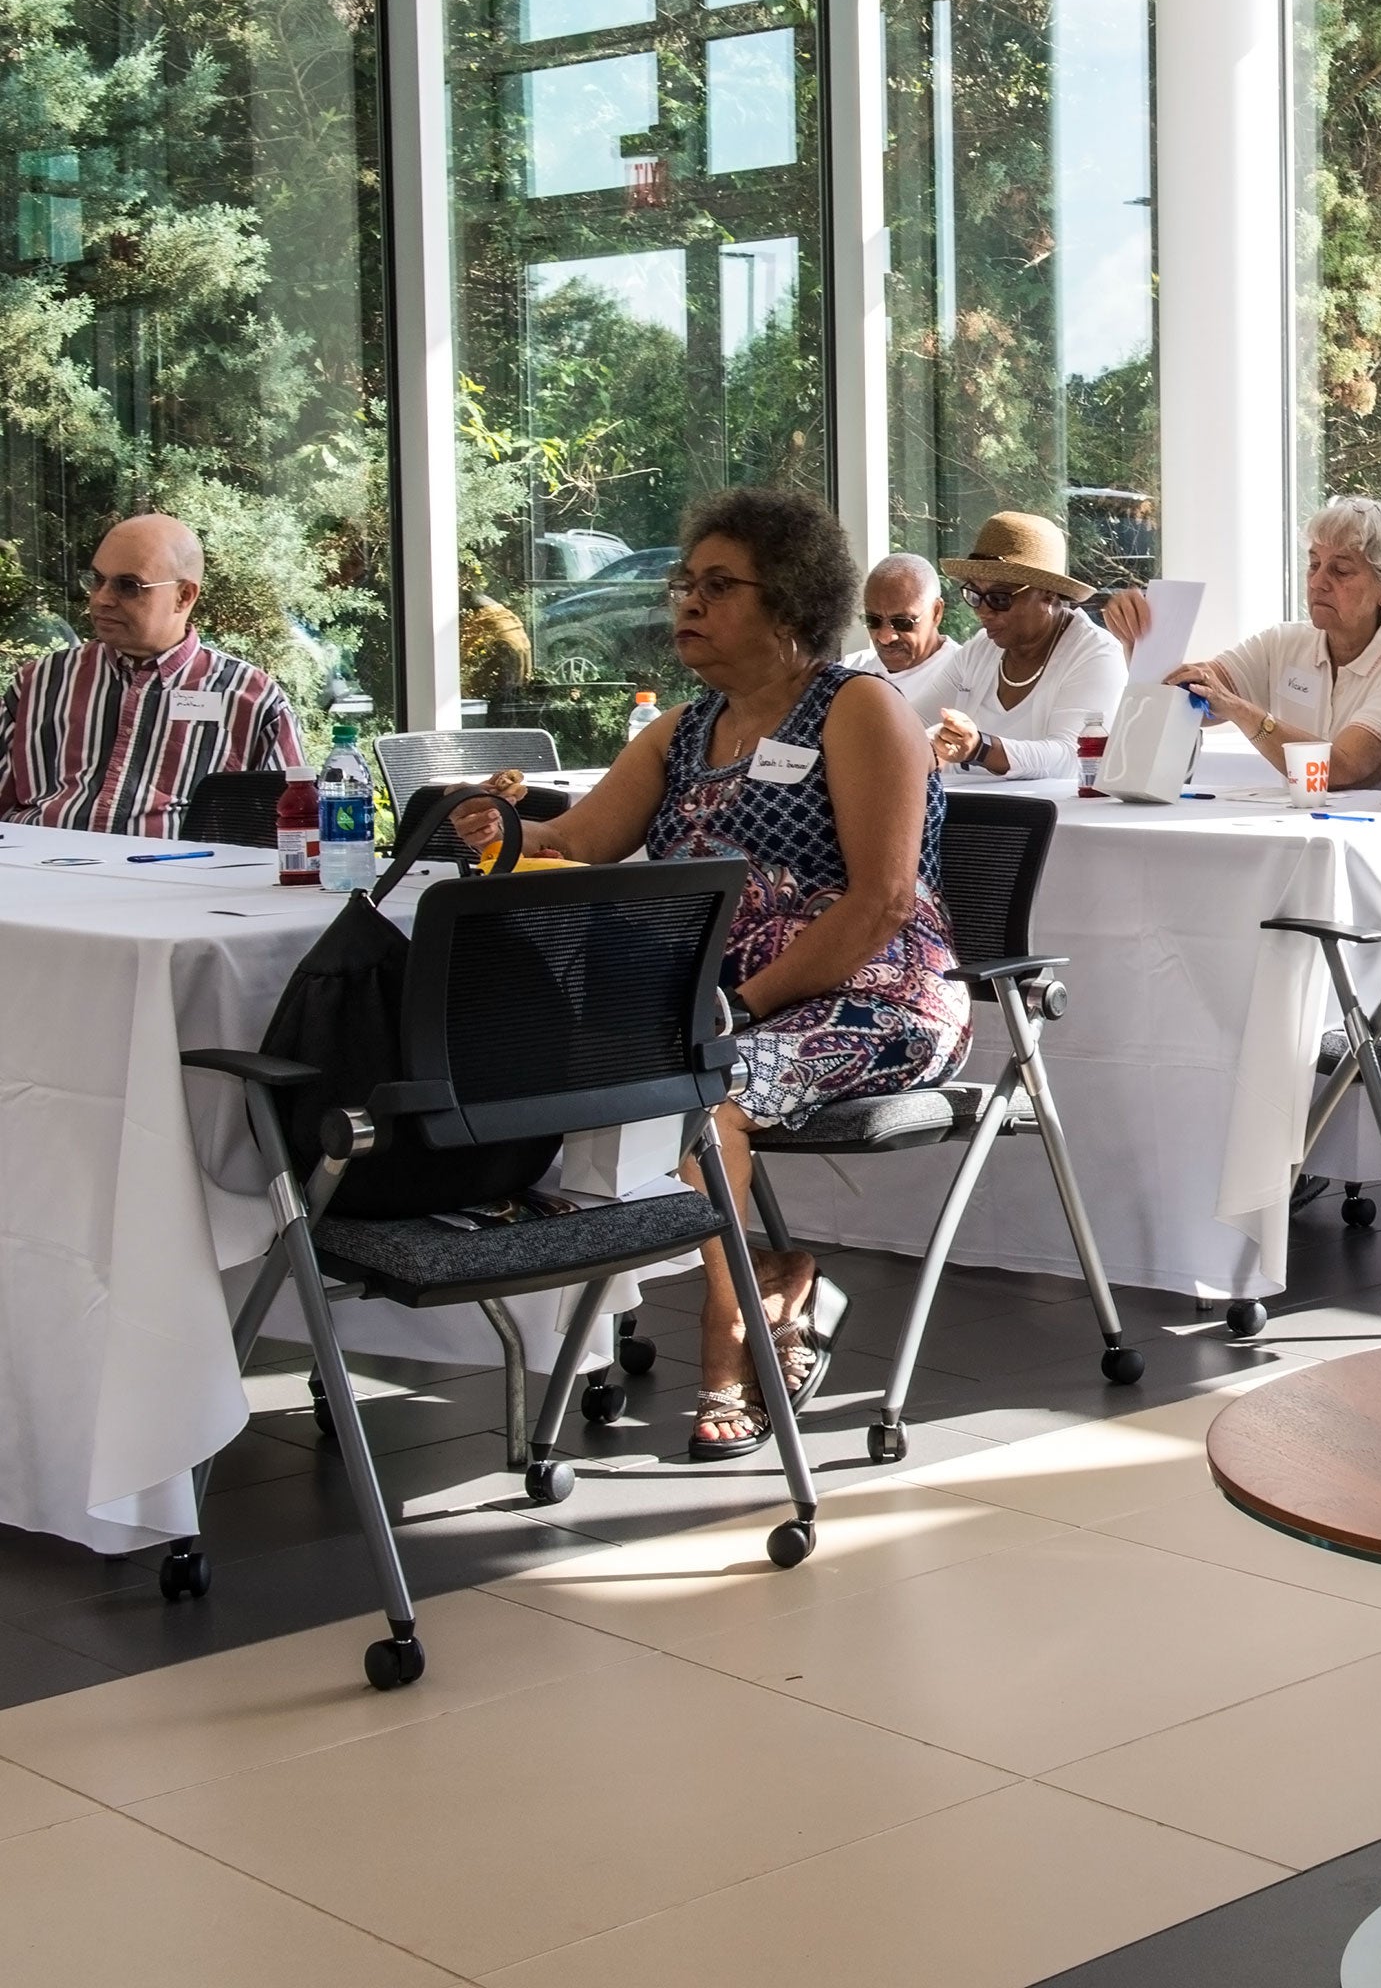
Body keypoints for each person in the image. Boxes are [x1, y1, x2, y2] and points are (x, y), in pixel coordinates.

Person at [451, 488, 970, 1463]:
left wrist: (739, 1006)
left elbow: (883, 902)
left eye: (720, 586)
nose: (688, 602)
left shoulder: (858, 709)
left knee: (710, 1089)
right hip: (718, 1008)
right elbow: (579, 843)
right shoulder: (680, 732)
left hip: (880, 993)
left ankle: (727, 1339)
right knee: (569, 1063)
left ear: (792, 602)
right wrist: (503, 829)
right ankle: (767, 1275)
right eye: (686, 583)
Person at [1103, 497, 1381, 787]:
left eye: (1340, 571)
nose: (1317, 582)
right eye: (1314, 564)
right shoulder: (1282, 642)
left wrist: (1239, 710)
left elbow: (1340, 768)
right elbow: (1188, 698)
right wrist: (1139, 638)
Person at [0, 513, 303, 835]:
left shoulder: (251, 699)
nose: (102, 598)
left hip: (184, 866)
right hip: (38, 862)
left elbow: (296, 828)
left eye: (128, 586)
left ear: (183, 596)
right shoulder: (38, 684)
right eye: (97, 580)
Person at [924, 513, 1129, 779]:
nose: (982, 611)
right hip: (970, 804)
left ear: (1048, 595)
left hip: (1054, 807)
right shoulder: (980, 649)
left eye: (999, 598)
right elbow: (913, 722)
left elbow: (1073, 756)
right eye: (974, 595)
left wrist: (980, 748)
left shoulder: (1096, 654)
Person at [846, 552, 966, 710]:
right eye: (873, 621)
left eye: (902, 622)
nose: (885, 637)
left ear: (936, 612)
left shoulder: (966, 680)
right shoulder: (849, 669)